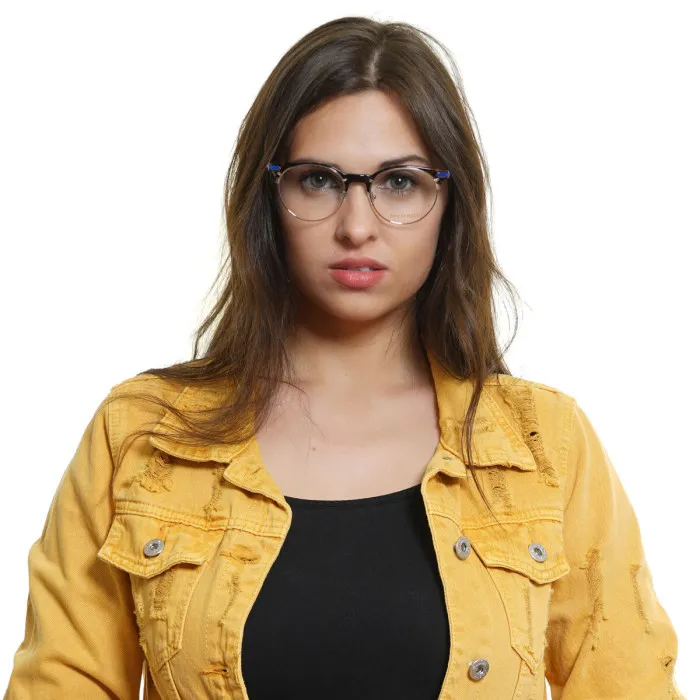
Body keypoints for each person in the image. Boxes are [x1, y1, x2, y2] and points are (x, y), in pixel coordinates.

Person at [4, 15, 686, 700]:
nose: (357, 226)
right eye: (320, 181)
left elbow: (627, 685)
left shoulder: (544, 445)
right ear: (268, 196)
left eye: (400, 182)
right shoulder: (143, 437)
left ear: (450, 202)